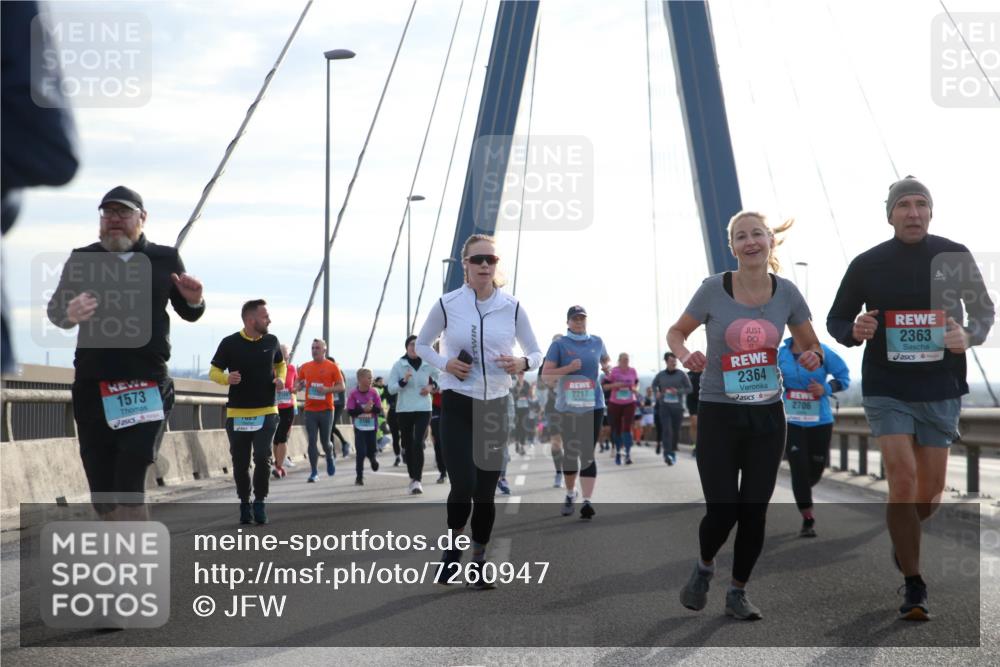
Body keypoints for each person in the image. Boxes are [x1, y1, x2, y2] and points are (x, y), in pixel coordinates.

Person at [827, 176, 994, 621]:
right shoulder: (868, 264)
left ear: (931, 212)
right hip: (887, 386)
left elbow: (983, 312)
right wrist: (854, 330)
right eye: (904, 205)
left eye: (921, 204)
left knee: (930, 493)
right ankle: (914, 584)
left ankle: (905, 541)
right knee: (901, 481)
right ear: (890, 215)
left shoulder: (953, 255)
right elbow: (837, 318)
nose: (914, 212)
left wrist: (968, 335)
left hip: (940, 387)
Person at [668, 210, 823, 620]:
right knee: (723, 510)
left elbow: (811, 344)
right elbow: (676, 332)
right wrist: (686, 355)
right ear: (732, 246)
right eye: (741, 236)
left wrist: (811, 356)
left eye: (757, 234)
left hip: (768, 416)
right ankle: (704, 567)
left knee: (754, 510)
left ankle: (737, 591)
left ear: (771, 240)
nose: (750, 241)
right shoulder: (712, 289)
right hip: (719, 412)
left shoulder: (787, 292)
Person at [47, 186, 204, 519]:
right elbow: (56, 311)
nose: (114, 220)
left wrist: (194, 300)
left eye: (123, 213)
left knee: (129, 481)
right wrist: (69, 312)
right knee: (104, 492)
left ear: (142, 218)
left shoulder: (164, 259)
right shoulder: (82, 258)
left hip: (145, 384)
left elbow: (189, 312)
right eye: (108, 213)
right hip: (93, 385)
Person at [416, 234, 542, 588]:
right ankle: (453, 549)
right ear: (465, 265)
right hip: (457, 401)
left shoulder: (512, 306)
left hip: (496, 406)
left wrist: (521, 362)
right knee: (463, 485)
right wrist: (446, 363)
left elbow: (536, 352)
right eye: (478, 260)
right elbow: (423, 344)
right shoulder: (447, 304)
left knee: (485, 493)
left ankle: (479, 560)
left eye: (491, 259)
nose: (485, 265)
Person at [209, 299, 285, 525]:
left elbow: (281, 363)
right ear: (251, 320)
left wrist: (280, 377)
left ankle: (260, 501)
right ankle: (244, 502)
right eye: (265, 317)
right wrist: (226, 378)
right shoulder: (230, 343)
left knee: (262, 456)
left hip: (267, 410)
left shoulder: (272, 341)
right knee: (240, 463)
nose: (269, 320)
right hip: (237, 413)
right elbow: (214, 371)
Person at [541, 305, 610, 520]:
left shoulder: (597, 341)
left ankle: (587, 501)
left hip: (594, 405)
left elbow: (605, 359)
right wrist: (568, 369)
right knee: (571, 453)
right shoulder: (559, 345)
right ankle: (571, 493)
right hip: (568, 407)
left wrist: (607, 366)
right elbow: (546, 376)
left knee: (587, 454)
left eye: (582, 318)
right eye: (575, 318)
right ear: (568, 322)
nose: (579, 321)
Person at [777, 337, 850, 537]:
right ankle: (808, 517)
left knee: (816, 468)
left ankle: (802, 490)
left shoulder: (823, 352)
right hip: (790, 420)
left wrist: (824, 389)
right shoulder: (780, 354)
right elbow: (767, 379)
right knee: (799, 468)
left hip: (820, 420)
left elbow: (843, 378)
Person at [388, 335, 440, 494]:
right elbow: (391, 388)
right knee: (408, 444)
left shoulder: (428, 364)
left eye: (417, 344)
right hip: (404, 410)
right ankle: (412, 476)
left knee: (418, 442)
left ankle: (417, 480)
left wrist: (432, 388)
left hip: (424, 409)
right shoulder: (399, 365)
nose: (414, 347)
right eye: (411, 344)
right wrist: (403, 381)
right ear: (406, 347)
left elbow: (442, 380)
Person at [295, 339, 345, 483]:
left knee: (325, 442)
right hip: (310, 410)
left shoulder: (332, 367)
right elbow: (298, 382)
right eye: (312, 348)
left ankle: (329, 457)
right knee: (311, 441)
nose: (314, 350)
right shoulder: (305, 367)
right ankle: (314, 472)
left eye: (317, 348)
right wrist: (298, 385)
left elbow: (341, 387)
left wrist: (327, 389)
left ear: (324, 350)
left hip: (326, 410)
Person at [652, 352, 693, 465]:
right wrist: (657, 392)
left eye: (675, 361)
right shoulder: (661, 375)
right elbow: (654, 385)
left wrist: (678, 391)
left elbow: (689, 389)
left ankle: (673, 451)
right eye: (671, 361)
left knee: (675, 432)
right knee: (667, 430)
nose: (673, 363)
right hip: (664, 407)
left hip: (678, 408)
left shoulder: (682, 374)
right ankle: (667, 454)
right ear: (666, 362)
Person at [346, 368, 382, 485]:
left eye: (371, 377)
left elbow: (378, 409)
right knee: (360, 452)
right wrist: (363, 409)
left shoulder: (374, 393)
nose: (371, 379)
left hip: (371, 428)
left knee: (371, 450)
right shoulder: (353, 394)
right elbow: (350, 411)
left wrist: (371, 409)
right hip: (359, 428)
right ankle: (359, 477)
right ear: (360, 379)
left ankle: (372, 459)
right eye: (369, 377)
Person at [605, 353, 639, 465]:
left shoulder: (633, 371)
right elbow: (604, 386)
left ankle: (628, 454)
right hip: (615, 403)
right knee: (616, 429)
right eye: (624, 360)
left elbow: (636, 384)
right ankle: (618, 453)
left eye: (627, 359)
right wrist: (616, 385)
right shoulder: (613, 371)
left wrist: (634, 389)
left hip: (630, 402)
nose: (626, 361)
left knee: (627, 427)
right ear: (619, 361)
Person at [272, 344, 297, 479]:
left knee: (282, 437)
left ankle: (279, 467)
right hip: (274, 408)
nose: (284, 356)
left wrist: (295, 388)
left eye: (285, 353)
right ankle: (278, 464)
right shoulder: (272, 369)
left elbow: (296, 385)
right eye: (281, 353)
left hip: (288, 408)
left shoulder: (292, 369)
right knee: (275, 439)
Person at [512, 372, 534, 455]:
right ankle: (517, 443)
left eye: (522, 373)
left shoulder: (527, 384)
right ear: (517, 374)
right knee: (518, 427)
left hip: (525, 408)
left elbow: (531, 396)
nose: (521, 374)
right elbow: (513, 396)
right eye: (519, 373)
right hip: (517, 409)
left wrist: (531, 390)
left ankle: (522, 445)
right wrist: (518, 392)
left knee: (524, 427)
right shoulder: (515, 384)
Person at [686, 370, 702, 457]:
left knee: (703, 425)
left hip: (703, 399)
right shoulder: (688, 375)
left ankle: (702, 444)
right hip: (691, 401)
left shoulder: (706, 372)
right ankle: (695, 445)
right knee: (694, 423)